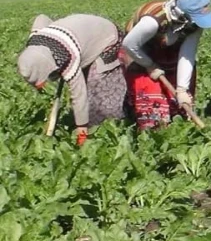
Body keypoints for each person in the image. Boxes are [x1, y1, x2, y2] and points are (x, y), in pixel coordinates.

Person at [17, 13, 128, 145]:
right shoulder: (35, 41)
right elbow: (42, 18)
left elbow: (79, 95)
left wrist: (81, 129)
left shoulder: (69, 55)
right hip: (83, 36)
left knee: (97, 89)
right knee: (87, 87)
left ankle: (110, 128)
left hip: (107, 37)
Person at [119, 0, 211, 130]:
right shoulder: (152, 22)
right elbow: (130, 45)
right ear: (182, 15)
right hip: (139, 52)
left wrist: (182, 89)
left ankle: (176, 128)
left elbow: (187, 54)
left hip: (170, 53)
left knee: (180, 101)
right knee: (150, 98)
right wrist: (149, 65)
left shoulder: (194, 24)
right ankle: (151, 133)